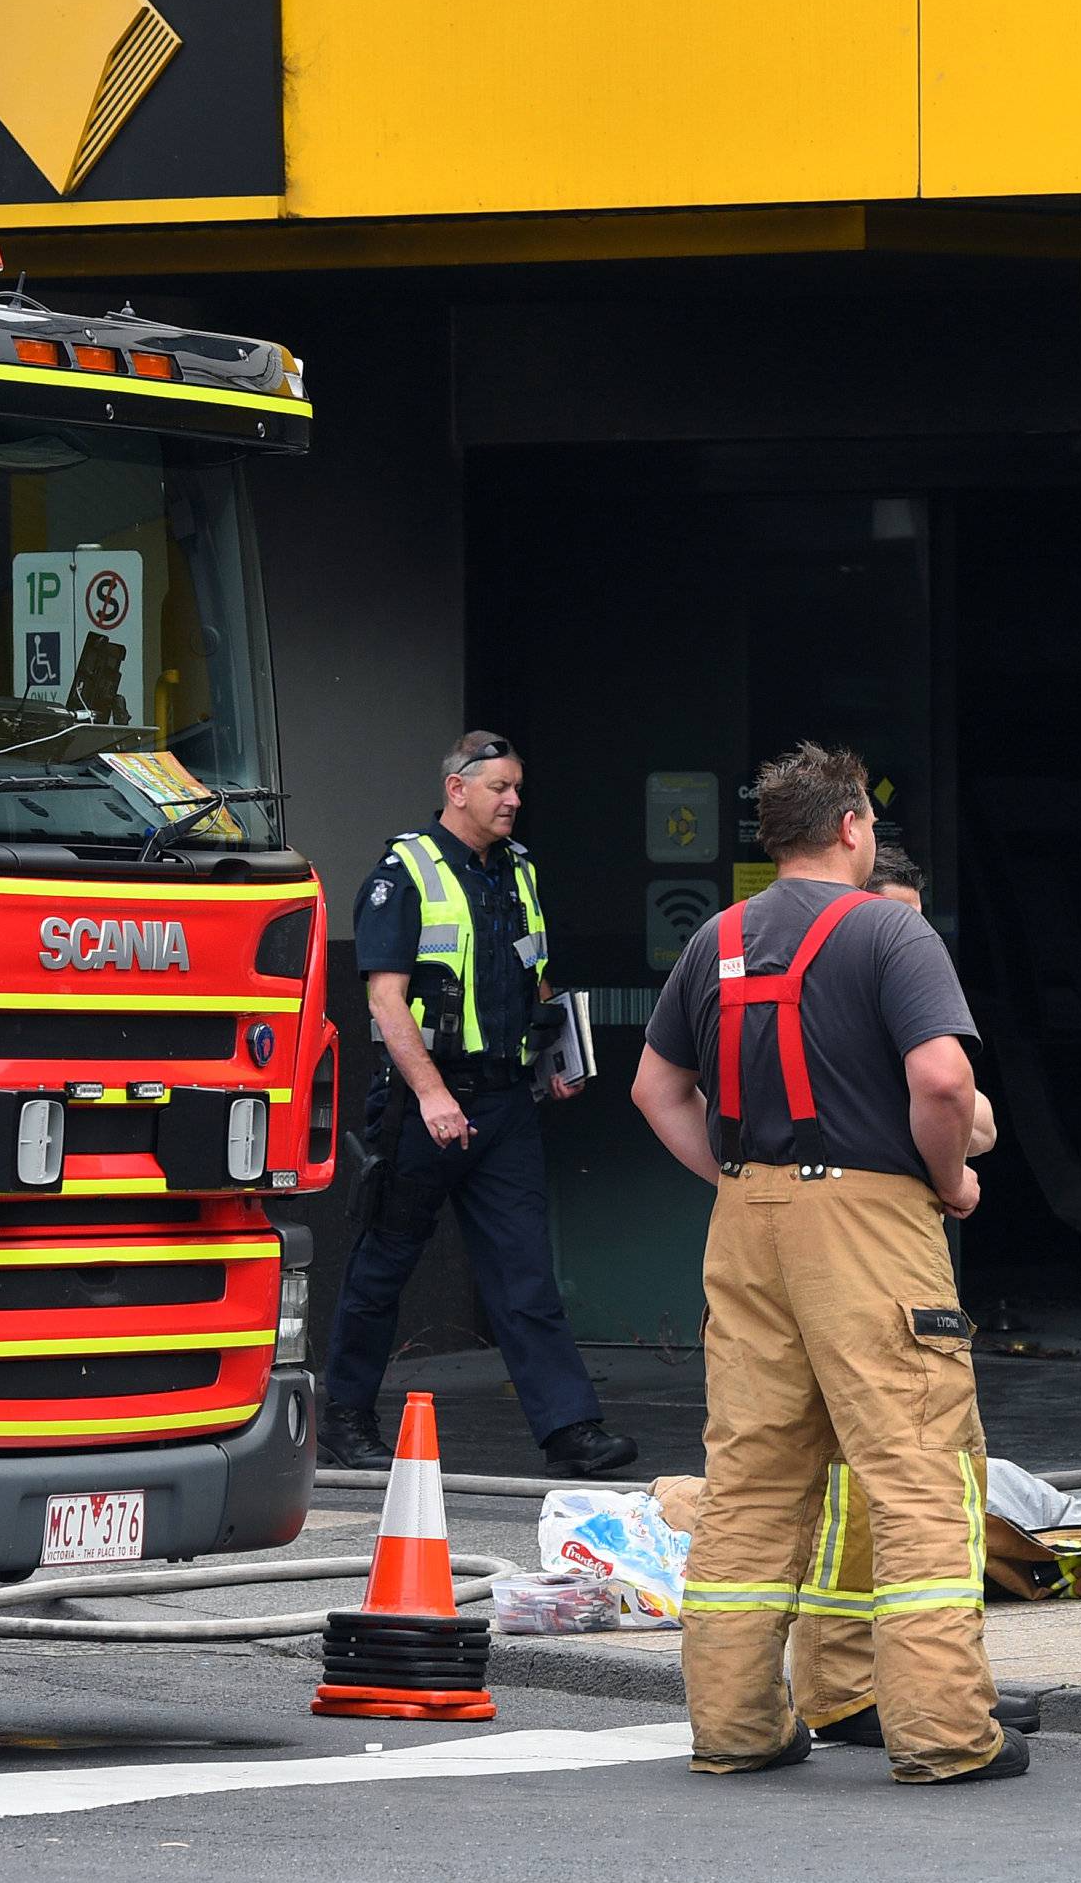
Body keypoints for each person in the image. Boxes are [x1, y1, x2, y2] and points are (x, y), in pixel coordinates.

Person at [633, 740, 1024, 1785]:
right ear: (854, 827)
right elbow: (941, 1081)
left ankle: (736, 1725)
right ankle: (945, 1732)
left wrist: (734, 1181)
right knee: (917, 1471)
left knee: (753, 1477)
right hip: (869, 1219)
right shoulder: (891, 932)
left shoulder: (712, 941)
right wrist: (947, 1182)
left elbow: (654, 1091)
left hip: (747, 1218)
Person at [317, 732, 637, 1480]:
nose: (514, 800)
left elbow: (538, 978)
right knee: (383, 1265)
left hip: (505, 1104)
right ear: (457, 790)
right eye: (500, 787)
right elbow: (385, 1001)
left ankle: (569, 1429)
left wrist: (561, 1059)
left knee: (525, 1272)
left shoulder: (517, 871)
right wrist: (430, 1095)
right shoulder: (405, 874)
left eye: (518, 787)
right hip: (423, 1106)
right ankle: (346, 1417)